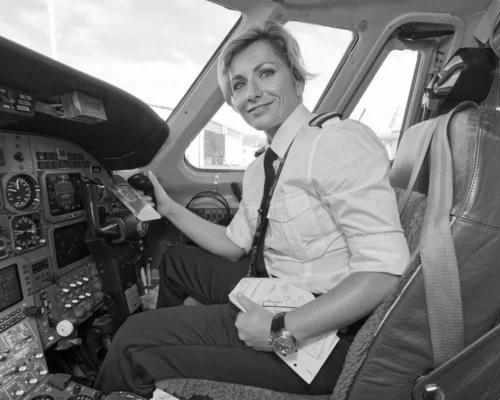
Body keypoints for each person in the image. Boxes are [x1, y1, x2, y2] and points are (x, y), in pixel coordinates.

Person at [94, 20, 410, 398]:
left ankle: (149, 356)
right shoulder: (262, 166)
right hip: (278, 288)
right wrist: (169, 208)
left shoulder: (335, 143)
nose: (253, 93)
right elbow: (234, 244)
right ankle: (169, 352)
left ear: (295, 77)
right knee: (177, 260)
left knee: (131, 341)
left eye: (266, 73)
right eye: (240, 84)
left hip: (320, 336)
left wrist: (281, 329)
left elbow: (385, 271)